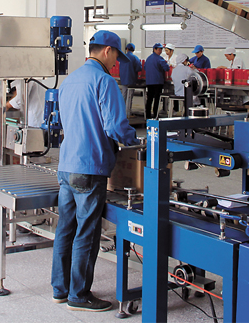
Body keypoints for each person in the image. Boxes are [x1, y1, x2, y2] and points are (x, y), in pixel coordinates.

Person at [52, 30, 140, 312]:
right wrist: (136, 141)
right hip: (90, 168)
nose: (116, 64)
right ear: (107, 51)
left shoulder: (70, 80)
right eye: (116, 57)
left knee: (65, 229)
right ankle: (79, 295)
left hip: (67, 165)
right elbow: (115, 126)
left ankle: (60, 289)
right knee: (87, 233)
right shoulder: (105, 81)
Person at [144, 43, 169, 120]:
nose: (160, 51)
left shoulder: (148, 58)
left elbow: (145, 67)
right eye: (159, 49)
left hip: (149, 81)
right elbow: (167, 68)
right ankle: (155, 115)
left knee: (150, 98)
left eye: (161, 49)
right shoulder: (159, 58)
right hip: (157, 81)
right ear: (154, 49)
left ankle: (148, 115)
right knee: (157, 98)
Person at [118, 43, 142, 116]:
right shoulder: (135, 58)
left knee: (124, 95)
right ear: (133, 50)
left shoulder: (122, 58)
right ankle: (128, 113)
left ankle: (121, 112)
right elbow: (139, 68)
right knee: (129, 96)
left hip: (123, 79)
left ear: (127, 49)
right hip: (131, 79)